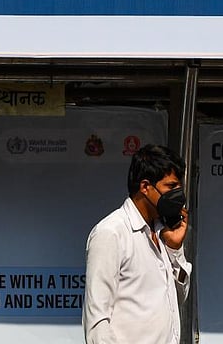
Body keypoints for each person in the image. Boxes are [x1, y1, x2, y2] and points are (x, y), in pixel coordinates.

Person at [83, 145, 191, 344]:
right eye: (171, 186)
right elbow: (97, 321)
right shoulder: (112, 232)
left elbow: (178, 298)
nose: (179, 195)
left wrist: (175, 250)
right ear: (145, 187)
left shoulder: (163, 230)